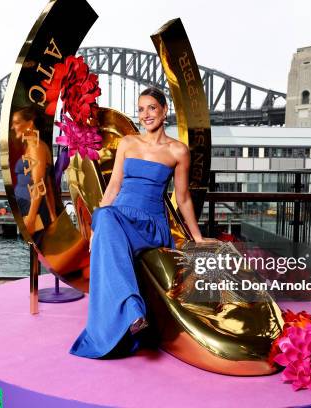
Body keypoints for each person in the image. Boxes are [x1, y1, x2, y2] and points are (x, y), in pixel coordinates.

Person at [70, 87, 210, 359]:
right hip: (118, 217)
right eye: (141, 109)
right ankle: (133, 313)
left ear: (164, 110)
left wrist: (198, 237)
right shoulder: (128, 143)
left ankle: (130, 313)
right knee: (104, 217)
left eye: (152, 108)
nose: (146, 114)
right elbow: (112, 190)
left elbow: (183, 199)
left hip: (149, 225)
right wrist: (96, 232)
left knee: (106, 221)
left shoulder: (178, 151)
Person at [11, 107, 59, 240]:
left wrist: (31, 218)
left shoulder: (36, 147)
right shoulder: (32, 146)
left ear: (30, 123)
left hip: (32, 210)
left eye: (17, 122)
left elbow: (39, 184)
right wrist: (52, 214)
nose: (12, 127)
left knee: (37, 249)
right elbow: (48, 183)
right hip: (27, 207)